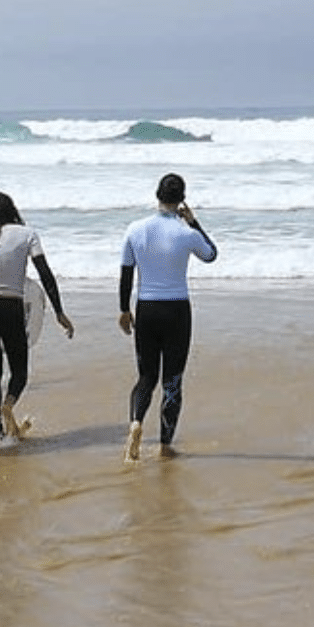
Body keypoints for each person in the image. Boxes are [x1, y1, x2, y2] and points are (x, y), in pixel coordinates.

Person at [119, 173, 218, 462]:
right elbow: (211, 254)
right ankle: (164, 445)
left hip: (146, 309)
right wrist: (194, 222)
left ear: (157, 195)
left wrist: (124, 310)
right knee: (172, 381)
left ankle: (136, 422)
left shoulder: (136, 229)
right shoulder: (187, 233)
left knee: (146, 377)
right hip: (177, 311)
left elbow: (126, 273)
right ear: (182, 200)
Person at [0, 192, 74, 438]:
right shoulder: (28, 234)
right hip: (10, 307)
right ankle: (9, 404)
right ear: (13, 211)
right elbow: (45, 273)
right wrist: (59, 311)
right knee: (20, 372)